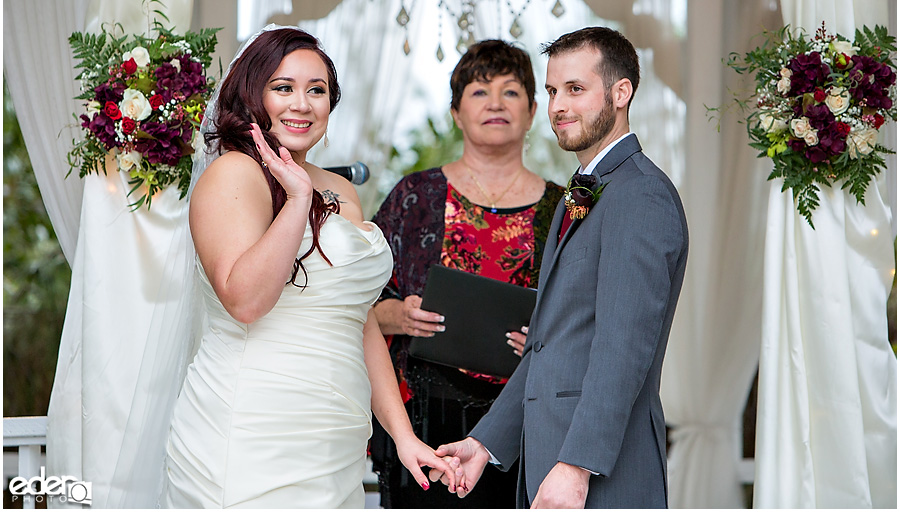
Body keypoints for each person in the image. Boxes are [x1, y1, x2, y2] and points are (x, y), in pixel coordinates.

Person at [164, 26, 457, 508]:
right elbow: (246, 301)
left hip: (332, 440)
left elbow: (355, 320)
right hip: (252, 428)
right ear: (251, 95)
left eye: (316, 90)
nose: (301, 104)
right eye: (283, 88)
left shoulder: (342, 193)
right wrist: (299, 198)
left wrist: (403, 436)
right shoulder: (233, 174)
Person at [430, 27, 689, 508]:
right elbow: (550, 345)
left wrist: (576, 465)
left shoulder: (640, 195)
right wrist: (485, 444)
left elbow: (623, 348)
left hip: (602, 471)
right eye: (552, 92)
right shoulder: (585, 189)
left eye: (575, 89)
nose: (558, 106)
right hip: (553, 462)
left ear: (620, 92)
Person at [369, 39, 566, 508]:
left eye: (511, 92)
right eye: (479, 92)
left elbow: (588, 316)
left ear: (533, 109)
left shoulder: (564, 208)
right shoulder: (413, 196)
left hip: (526, 424)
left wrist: (546, 336)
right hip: (423, 420)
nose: (495, 103)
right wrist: (395, 315)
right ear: (456, 112)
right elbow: (352, 305)